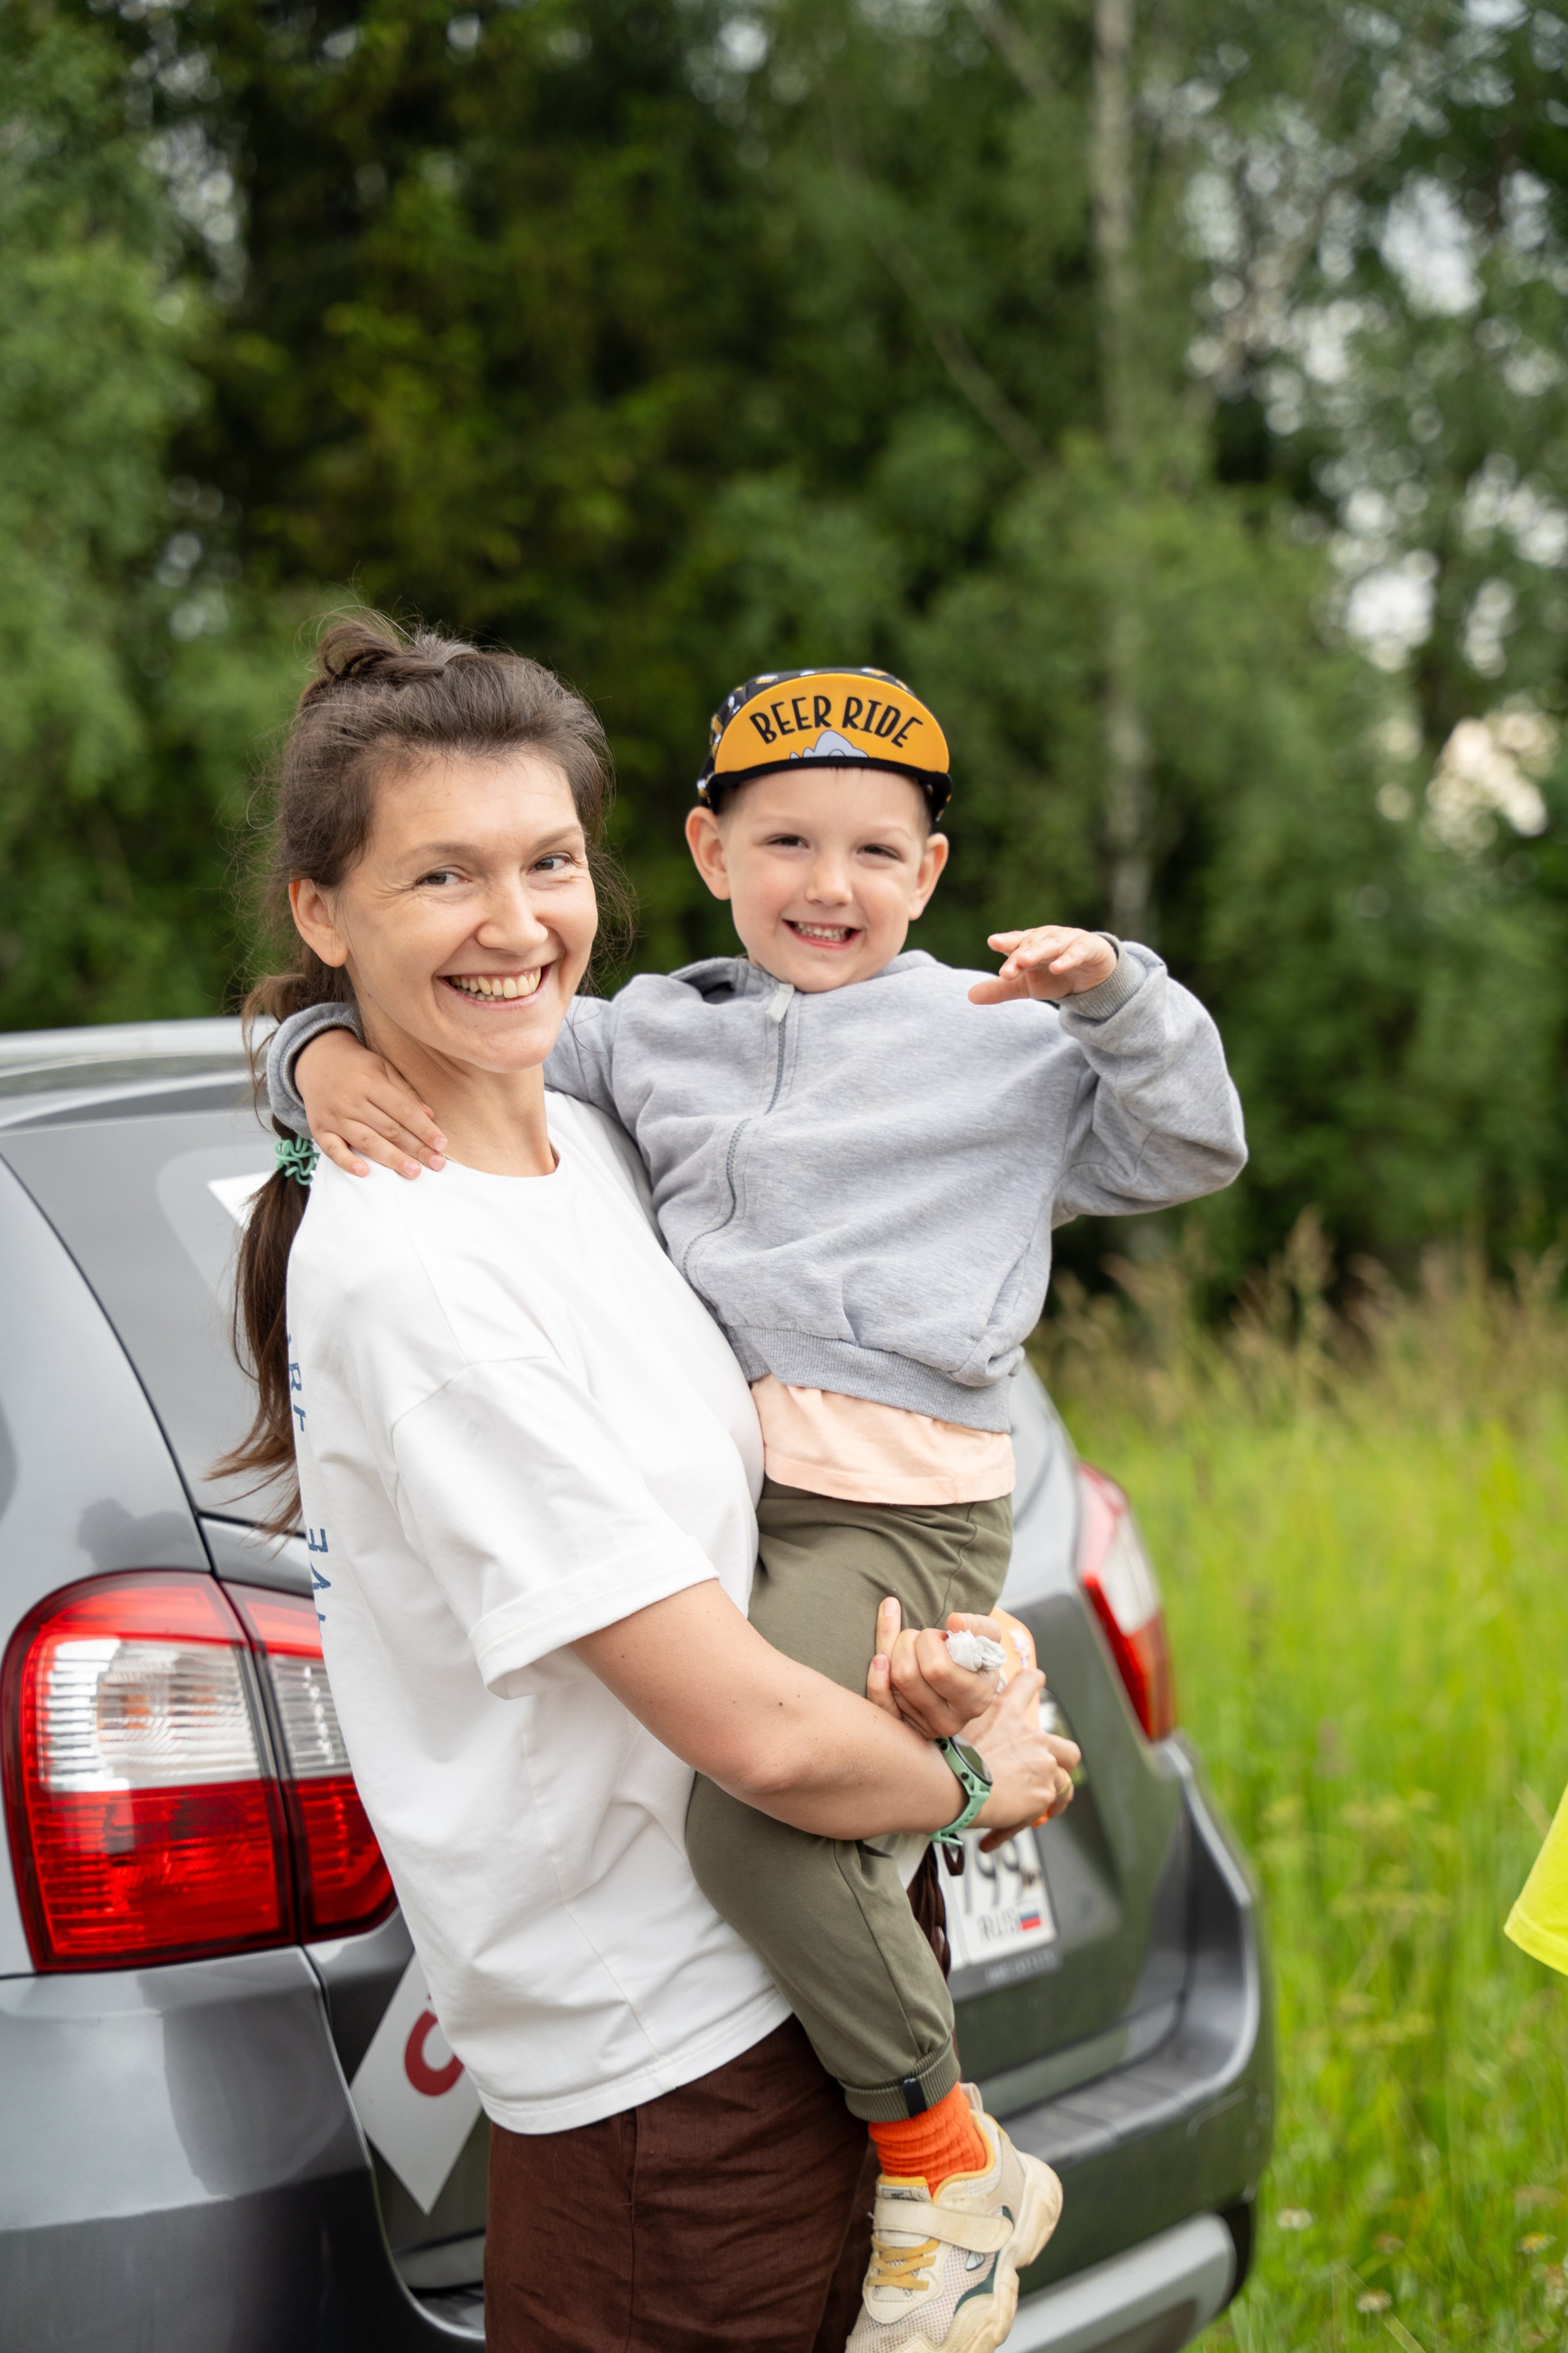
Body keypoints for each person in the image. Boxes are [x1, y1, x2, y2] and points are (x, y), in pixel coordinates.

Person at [267, 660, 1246, 2350]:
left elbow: (1183, 1148)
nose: (511, 920)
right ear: (712, 850)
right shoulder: (566, 1131)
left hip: (803, 1935)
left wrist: (1121, 995)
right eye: (441, 872)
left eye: (545, 862)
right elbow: (765, 1746)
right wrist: (305, 1049)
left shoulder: (622, 1134)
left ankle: (946, 2158)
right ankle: (953, 2155)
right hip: (667, 2056)